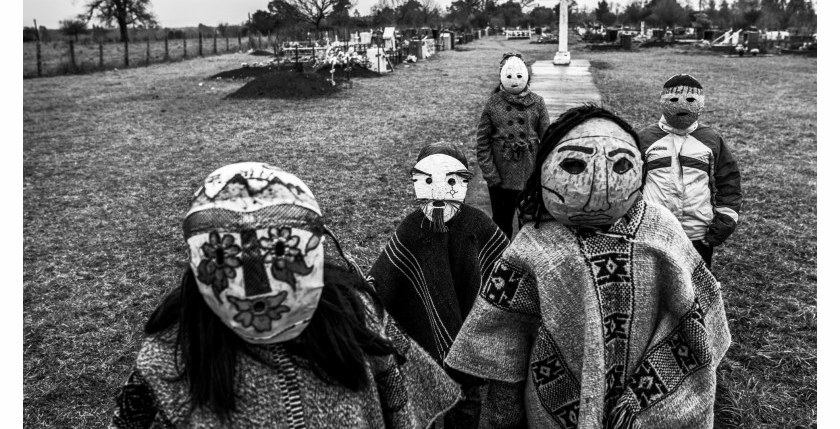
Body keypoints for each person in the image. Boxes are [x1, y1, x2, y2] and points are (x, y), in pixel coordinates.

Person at [110, 162, 460, 429]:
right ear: (199, 259)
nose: (257, 286)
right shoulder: (171, 354)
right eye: (224, 256)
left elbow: (399, 403)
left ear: (315, 249)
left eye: (279, 251)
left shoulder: (357, 314)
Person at [445, 104, 731, 428]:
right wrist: (503, 416)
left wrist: (648, 389)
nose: (602, 187)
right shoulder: (534, 243)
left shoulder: (661, 230)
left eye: (620, 165)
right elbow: (503, 344)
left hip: (643, 411)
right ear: (543, 170)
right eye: (574, 164)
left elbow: (695, 316)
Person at [367, 141, 510, 429]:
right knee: (425, 398)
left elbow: (506, 269)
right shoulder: (411, 229)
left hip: (470, 347)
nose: (439, 191)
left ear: (463, 182)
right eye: (428, 180)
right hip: (422, 346)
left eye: (451, 181)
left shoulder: (478, 226)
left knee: (466, 399)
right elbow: (384, 281)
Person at [638, 74, 742, 269]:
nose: (682, 106)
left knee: (697, 289)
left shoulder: (711, 139)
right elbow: (630, 184)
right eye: (674, 100)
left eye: (691, 100)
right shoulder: (645, 139)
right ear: (663, 101)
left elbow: (729, 182)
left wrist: (726, 219)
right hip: (654, 231)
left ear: (700, 104)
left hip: (698, 234)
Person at [476, 53, 550, 238]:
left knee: (530, 225)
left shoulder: (538, 102)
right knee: (501, 226)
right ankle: (501, 261)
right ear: (502, 76)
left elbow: (548, 139)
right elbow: (482, 141)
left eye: (519, 76)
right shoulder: (493, 103)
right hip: (501, 179)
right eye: (509, 76)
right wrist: (491, 175)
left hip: (529, 176)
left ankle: (525, 262)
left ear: (526, 76)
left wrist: (542, 172)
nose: (515, 81)